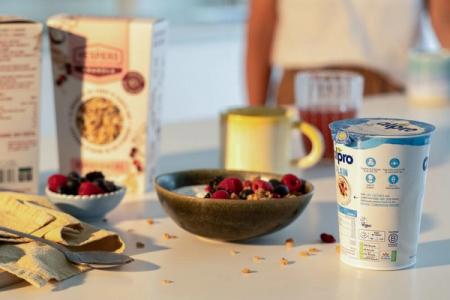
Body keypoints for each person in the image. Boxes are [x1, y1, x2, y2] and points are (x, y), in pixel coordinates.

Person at [246, 0, 450, 106]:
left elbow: (445, 20)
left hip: (389, 89)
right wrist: (254, 117)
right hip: (302, 90)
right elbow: (261, 29)